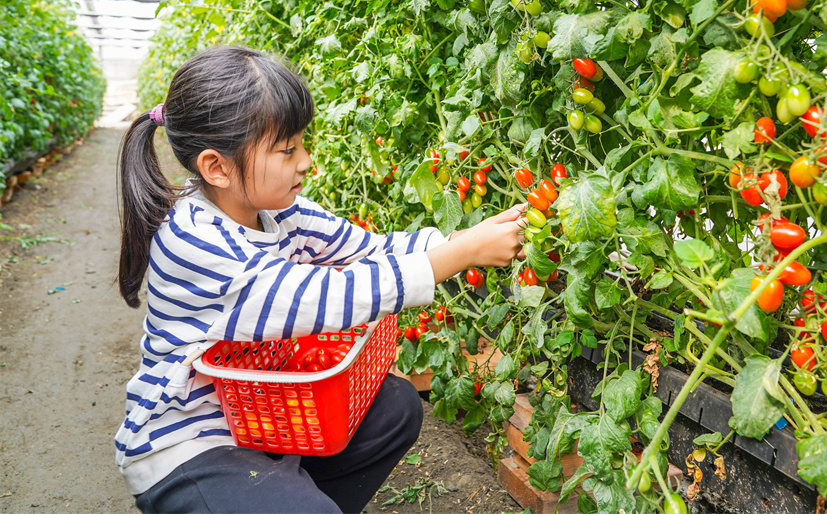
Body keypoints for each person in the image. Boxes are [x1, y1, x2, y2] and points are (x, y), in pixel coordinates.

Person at [114, 45, 527, 513]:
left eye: (302, 143)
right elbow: (321, 296)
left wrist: (466, 237)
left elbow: (372, 250)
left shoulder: (279, 212)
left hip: (263, 418)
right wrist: (460, 255)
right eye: (288, 149)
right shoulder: (193, 240)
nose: (306, 161)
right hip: (191, 444)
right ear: (217, 167)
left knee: (395, 407)